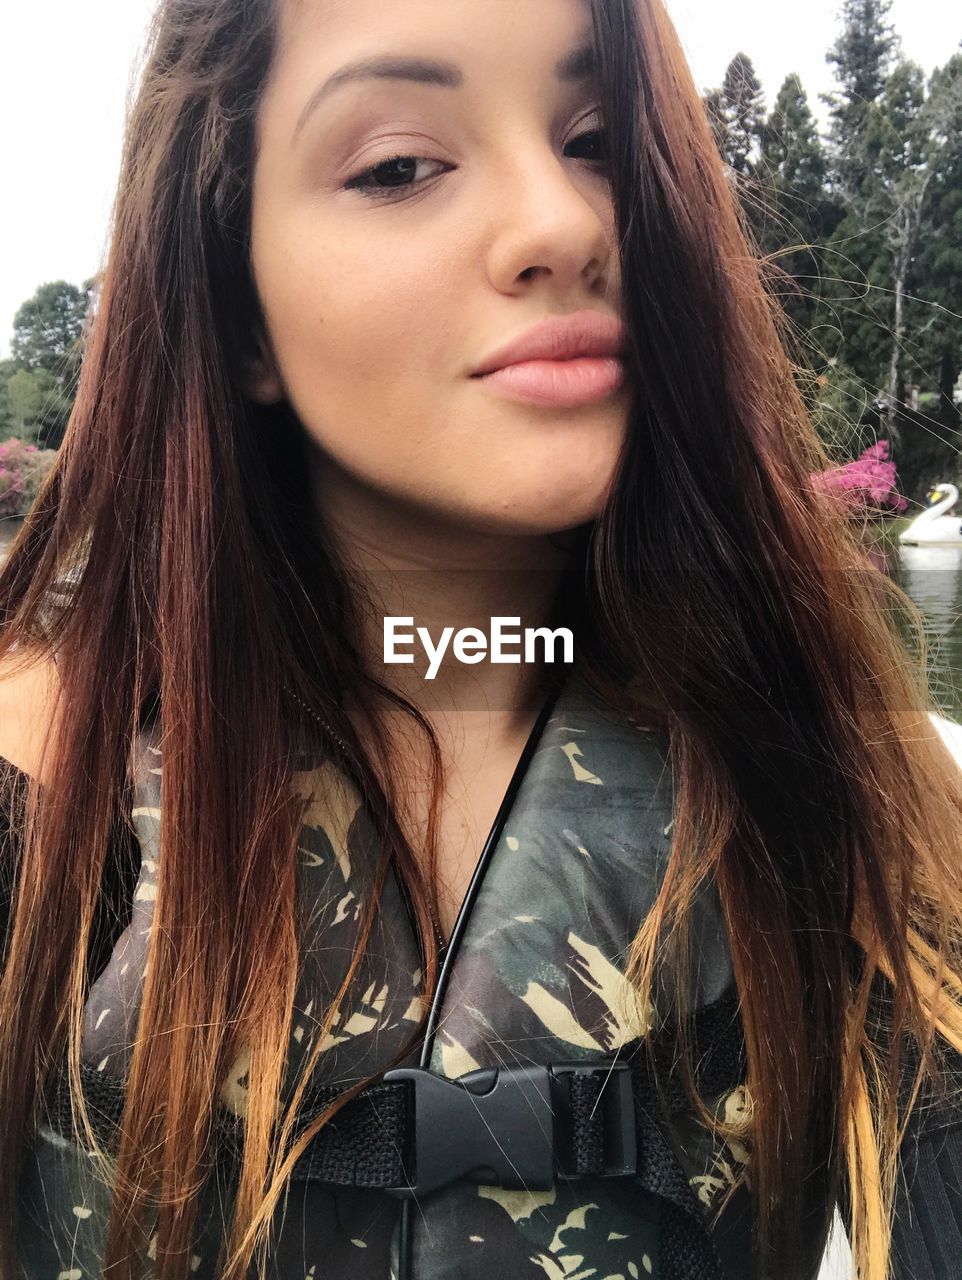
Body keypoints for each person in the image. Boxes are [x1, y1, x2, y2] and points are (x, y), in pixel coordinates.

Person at [1, 0, 961, 1277]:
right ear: (236, 315)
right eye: (398, 165)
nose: (563, 224)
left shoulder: (851, 786)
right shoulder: (38, 782)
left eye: (599, 142)